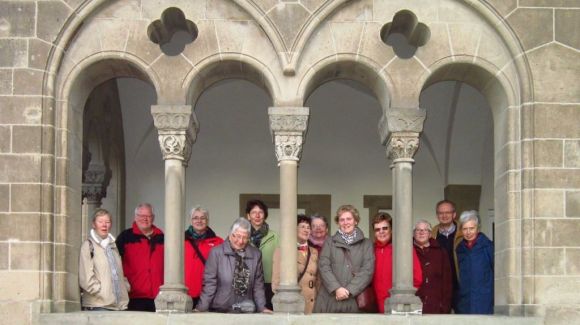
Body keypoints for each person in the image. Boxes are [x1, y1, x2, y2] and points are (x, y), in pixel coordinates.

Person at [196, 218, 272, 313]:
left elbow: (258, 285)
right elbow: (209, 283)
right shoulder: (216, 253)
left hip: (246, 310)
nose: (240, 241)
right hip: (221, 309)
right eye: (237, 236)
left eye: (245, 237)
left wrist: (262, 308)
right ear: (230, 234)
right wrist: (201, 308)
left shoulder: (256, 254)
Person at [313, 205, 374, 313]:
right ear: (338, 222)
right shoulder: (329, 242)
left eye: (349, 219)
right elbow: (323, 266)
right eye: (342, 220)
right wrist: (337, 288)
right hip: (329, 299)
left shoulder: (367, 244)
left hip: (354, 299)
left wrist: (349, 291)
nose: (345, 222)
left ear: (356, 221)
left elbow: (367, 271)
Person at [116, 203, 164, 312]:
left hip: (159, 297)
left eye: (148, 216)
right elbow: (114, 264)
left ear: (153, 218)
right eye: (141, 215)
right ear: (135, 217)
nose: (145, 219)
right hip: (133, 297)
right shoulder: (125, 237)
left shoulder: (162, 238)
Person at [79, 209, 130, 311]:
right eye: (100, 222)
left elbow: (119, 272)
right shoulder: (88, 246)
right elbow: (85, 277)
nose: (104, 225)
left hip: (119, 305)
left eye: (107, 222)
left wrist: (125, 287)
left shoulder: (113, 246)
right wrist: (101, 292)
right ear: (94, 224)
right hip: (99, 305)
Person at [372, 212, 422, 313]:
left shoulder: (403, 247)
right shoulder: (371, 249)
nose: (381, 232)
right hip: (374, 307)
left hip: (396, 306)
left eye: (385, 228)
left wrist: (402, 300)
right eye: (377, 229)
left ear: (391, 229)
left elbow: (417, 277)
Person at [272, 214, 319, 314]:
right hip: (294, 303)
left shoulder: (314, 251)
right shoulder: (282, 251)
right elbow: (276, 282)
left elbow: (318, 279)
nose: (306, 230)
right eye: (302, 227)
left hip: (313, 303)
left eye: (308, 228)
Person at [184, 206, 224, 308]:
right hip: (185, 294)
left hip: (210, 294)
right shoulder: (180, 241)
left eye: (203, 218)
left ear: (207, 221)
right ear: (191, 220)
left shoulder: (218, 242)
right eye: (195, 218)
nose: (199, 221)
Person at [455, 210, 494, 314]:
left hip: (484, 299)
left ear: (478, 228)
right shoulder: (460, 249)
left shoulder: (488, 246)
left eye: (471, 228)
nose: (468, 232)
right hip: (465, 300)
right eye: (465, 229)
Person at [413, 220, 452, 314]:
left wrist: (445, 306)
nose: (421, 232)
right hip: (414, 305)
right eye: (418, 230)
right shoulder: (408, 251)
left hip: (436, 306)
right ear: (414, 234)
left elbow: (447, 281)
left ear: (430, 234)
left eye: (425, 230)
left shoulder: (440, 252)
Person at [246, 199, 279, 310]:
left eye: (261, 212)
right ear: (248, 216)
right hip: (247, 284)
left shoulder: (275, 236)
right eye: (254, 212)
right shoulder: (241, 235)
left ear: (265, 215)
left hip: (269, 284)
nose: (257, 215)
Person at [431, 199, 463, 307]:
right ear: (437, 215)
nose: (444, 215)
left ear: (454, 214)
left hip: (460, 285)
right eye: (441, 213)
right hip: (440, 288)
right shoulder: (431, 236)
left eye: (447, 212)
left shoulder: (463, 233)